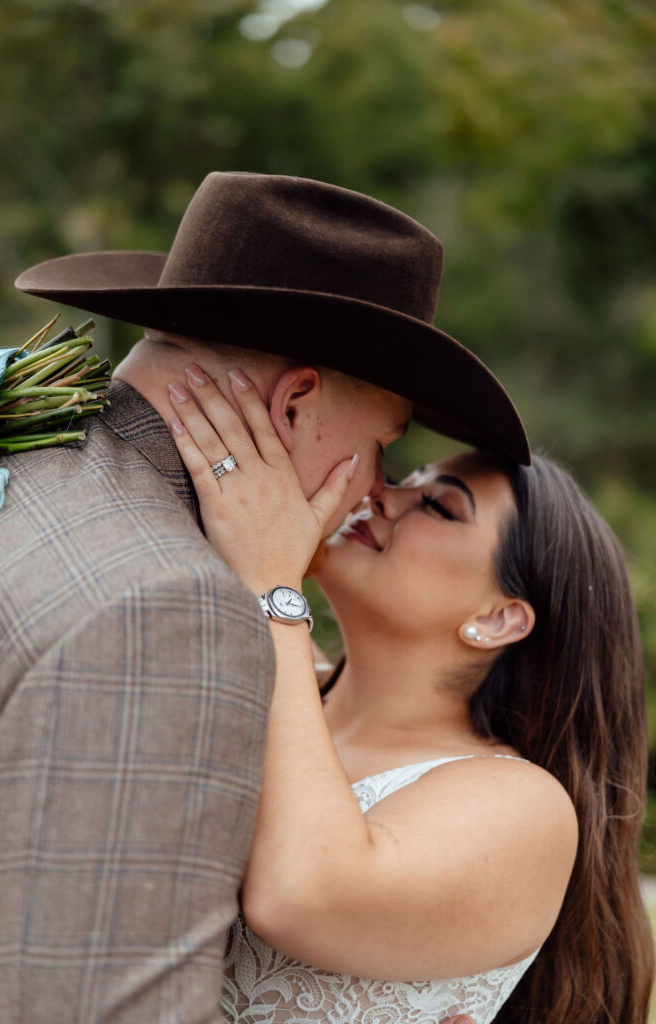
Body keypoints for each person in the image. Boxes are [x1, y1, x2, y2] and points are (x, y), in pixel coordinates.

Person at [0, 172, 528, 1022]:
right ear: (298, 400)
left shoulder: (20, 458)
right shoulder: (166, 614)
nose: (375, 491)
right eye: (385, 447)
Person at [166, 365, 654, 1024]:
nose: (380, 498)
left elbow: (300, 896)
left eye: (437, 506)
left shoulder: (522, 805)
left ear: (499, 618)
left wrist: (270, 581)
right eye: (400, 480)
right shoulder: (280, 677)